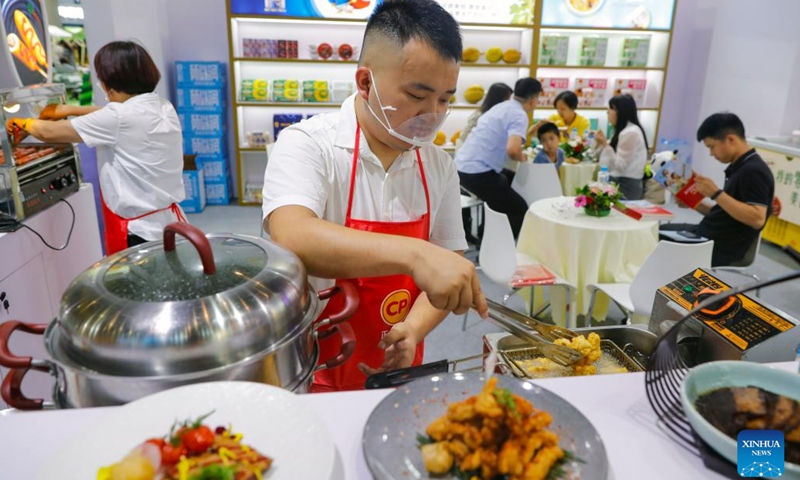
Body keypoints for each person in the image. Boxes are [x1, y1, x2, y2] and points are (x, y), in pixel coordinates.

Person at [261, 0, 488, 393]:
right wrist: (416, 254)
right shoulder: (308, 145)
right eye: (418, 95)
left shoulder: (438, 165)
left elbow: (446, 264)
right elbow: (292, 234)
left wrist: (413, 329)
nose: (432, 113)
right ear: (365, 82)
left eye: (445, 99)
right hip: (311, 363)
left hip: (397, 368)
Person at [5, 41, 186, 254]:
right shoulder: (161, 105)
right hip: (168, 221)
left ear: (108, 81)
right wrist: (68, 109)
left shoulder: (118, 118)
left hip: (139, 231)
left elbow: (49, 132)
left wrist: (22, 123)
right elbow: (113, 114)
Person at [660, 113, 774, 266]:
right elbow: (726, 214)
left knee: (654, 238)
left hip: (718, 245)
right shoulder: (740, 167)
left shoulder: (753, 171)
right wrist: (694, 203)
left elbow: (757, 219)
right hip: (707, 234)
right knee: (657, 231)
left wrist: (715, 193)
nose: (711, 154)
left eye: (711, 147)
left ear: (730, 139)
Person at [455, 78, 542, 238]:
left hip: (461, 167)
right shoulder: (519, 115)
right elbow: (513, 150)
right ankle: (500, 247)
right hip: (478, 173)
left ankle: (485, 233)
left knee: (507, 185)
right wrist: (523, 160)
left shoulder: (501, 107)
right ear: (534, 99)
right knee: (518, 208)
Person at [594, 94, 648, 200]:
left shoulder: (631, 133)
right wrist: (600, 143)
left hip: (626, 186)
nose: (607, 112)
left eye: (611, 109)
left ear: (621, 112)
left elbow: (620, 165)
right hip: (618, 182)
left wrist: (605, 144)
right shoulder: (623, 131)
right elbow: (602, 157)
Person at [455, 82, 512, 150]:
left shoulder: (500, 117)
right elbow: (465, 138)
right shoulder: (478, 116)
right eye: (507, 99)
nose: (509, 102)